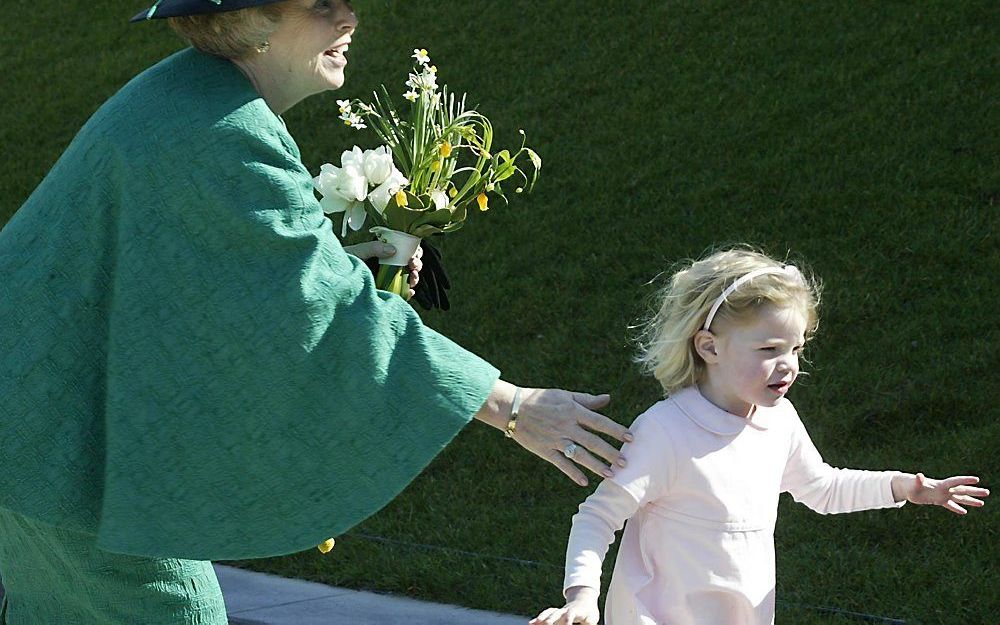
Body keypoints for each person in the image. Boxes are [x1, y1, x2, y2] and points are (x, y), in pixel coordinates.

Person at [0, 1, 633, 622]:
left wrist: (345, 255)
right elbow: (323, 309)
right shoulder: (226, 129)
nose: (349, 18)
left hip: (34, 440)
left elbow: (211, 269)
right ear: (254, 23)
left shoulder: (187, 93)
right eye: (322, 4)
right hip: (64, 463)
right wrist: (513, 408)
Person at [531, 248, 989, 625]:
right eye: (769, 350)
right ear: (709, 346)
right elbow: (598, 518)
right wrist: (583, 597)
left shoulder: (780, 422)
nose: (788, 363)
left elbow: (823, 488)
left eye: (795, 348)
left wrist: (907, 487)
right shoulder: (666, 431)